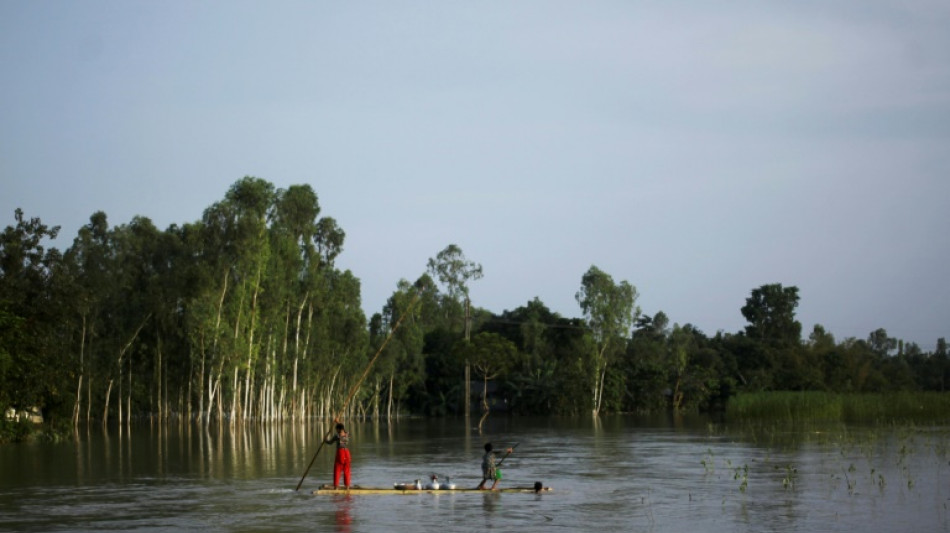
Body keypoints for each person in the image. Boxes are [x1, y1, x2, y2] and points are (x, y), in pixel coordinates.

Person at [325, 420, 351, 489]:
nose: (336, 431)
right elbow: (342, 428)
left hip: (340, 453)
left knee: (337, 469)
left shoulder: (337, 436)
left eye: (336, 429)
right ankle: (347, 486)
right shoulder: (347, 434)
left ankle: (336, 486)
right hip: (347, 453)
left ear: (338, 429)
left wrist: (325, 440)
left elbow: (330, 442)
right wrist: (338, 422)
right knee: (347, 470)